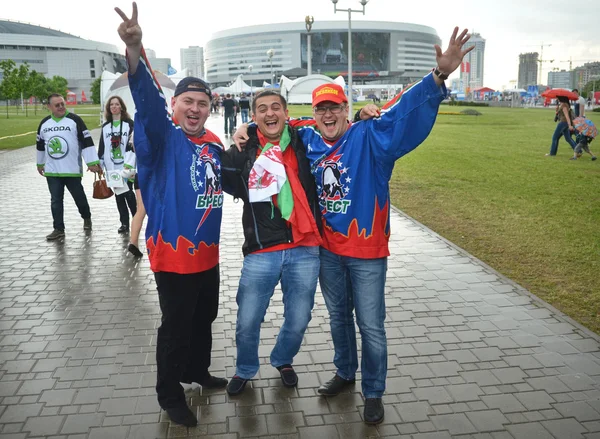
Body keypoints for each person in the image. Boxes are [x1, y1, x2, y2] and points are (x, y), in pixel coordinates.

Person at [234, 26, 473, 425]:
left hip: (366, 254)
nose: (329, 115)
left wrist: (438, 76)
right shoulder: (307, 140)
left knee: (371, 326)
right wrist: (243, 129)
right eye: (322, 109)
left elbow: (404, 114)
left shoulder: (371, 136)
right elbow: (275, 128)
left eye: (336, 108)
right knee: (339, 319)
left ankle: (374, 391)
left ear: (346, 109)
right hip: (327, 252)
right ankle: (346, 373)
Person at [116, 2, 228, 427]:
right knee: (176, 326)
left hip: (209, 253)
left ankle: (195, 371)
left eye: (203, 102)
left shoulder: (214, 144)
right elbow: (145, 100)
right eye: (188, 102)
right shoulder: (161, 138)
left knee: (205, 317)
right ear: (176, 105)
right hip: (173, 253)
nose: (196, 109)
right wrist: (135, 49)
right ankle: (168, 394)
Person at [220, 90, 323, 396]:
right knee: (247, 319)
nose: (269, 114)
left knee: (299, 317)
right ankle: (245, 368)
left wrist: (360, 115)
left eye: (275, 107)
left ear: (286, 111)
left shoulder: (304, 141)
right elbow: (225, 177)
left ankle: (283, 359)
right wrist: (243, 136)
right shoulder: (245, 148)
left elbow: (331, 128)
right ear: (253, 116)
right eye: (261, 110)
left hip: (304, 247)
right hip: (261, 250)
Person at [36, 93, 102, 241]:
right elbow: (40, 145)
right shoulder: (44, 124)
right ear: (49, 107)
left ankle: (86, 217)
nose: (61, 107)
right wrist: (40, 163)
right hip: (53, 171)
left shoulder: (75, 120)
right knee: (55, 200)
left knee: (79, 198)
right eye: (57, 105)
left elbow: (87, 141)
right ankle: (58, 229)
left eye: (62, 104)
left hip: (72, 170)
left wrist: (91, 163)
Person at [98, 96, 137, 234]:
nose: (114, 107)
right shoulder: (105, 127)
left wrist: (129, 165)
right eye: (111, 105)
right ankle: (124, 223)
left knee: (128, 192)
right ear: (108, 108)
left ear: (122, 107)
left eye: (117, 104)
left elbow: (133, 146)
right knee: (119, 195)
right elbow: (102, 147)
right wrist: (100, 164)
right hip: (112, 166)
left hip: (127, 165)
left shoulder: (130, 124)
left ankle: (136, 219)